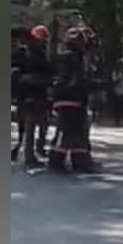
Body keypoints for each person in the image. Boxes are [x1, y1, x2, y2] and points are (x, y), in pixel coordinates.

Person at [47, 26, 96, 173]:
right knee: (67, 131)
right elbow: (77, 81)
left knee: (75, 131)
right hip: (70, 99)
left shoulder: (68, 57)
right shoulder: (75, 59)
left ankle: (78, 160)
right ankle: (58, 161)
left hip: (71, 100)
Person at [12, 25, 54, 166]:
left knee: (42, 124)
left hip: (39, 94)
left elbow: (49, 74)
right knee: (28, 127)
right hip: (26, 95)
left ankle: (37, 149)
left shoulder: (42, 56)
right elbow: (14, 73)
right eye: (40, 40)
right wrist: (25, 79)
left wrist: (47, 82)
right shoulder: (22, 54)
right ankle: (27, 155)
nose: (42, 43)